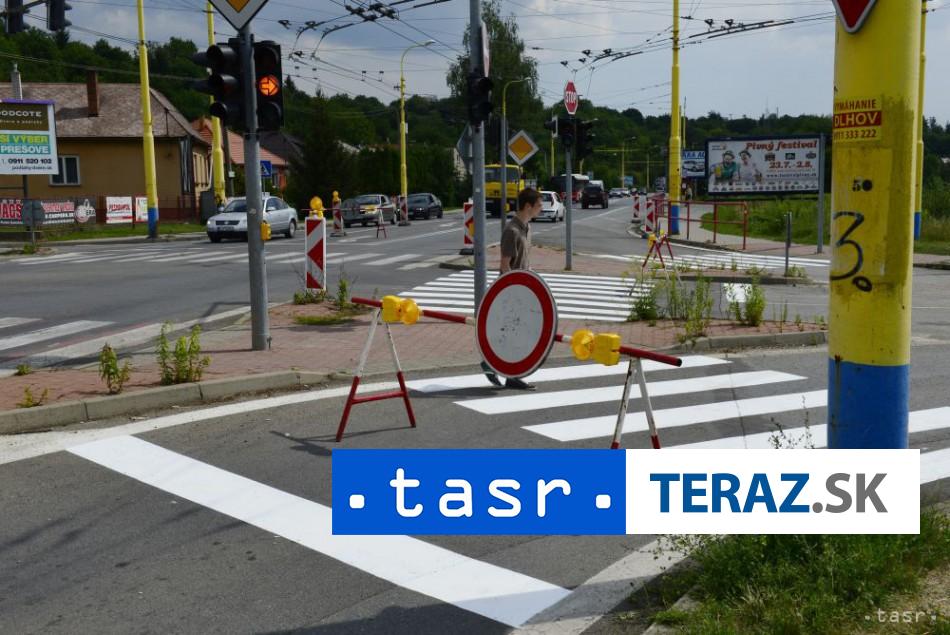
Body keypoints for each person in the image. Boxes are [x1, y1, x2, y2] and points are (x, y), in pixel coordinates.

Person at [481, 187, 543, 391]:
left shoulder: (527, 228)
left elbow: (524, 262)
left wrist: (533, 281)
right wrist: (513, 292)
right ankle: (490, 364)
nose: (541, 209)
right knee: (509, 332)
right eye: (539, 205)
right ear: (528, 206)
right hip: (511, 293)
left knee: (516, 334)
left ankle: (511, 376)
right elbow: (505, 265)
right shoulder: (512, 231)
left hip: (523, 291)